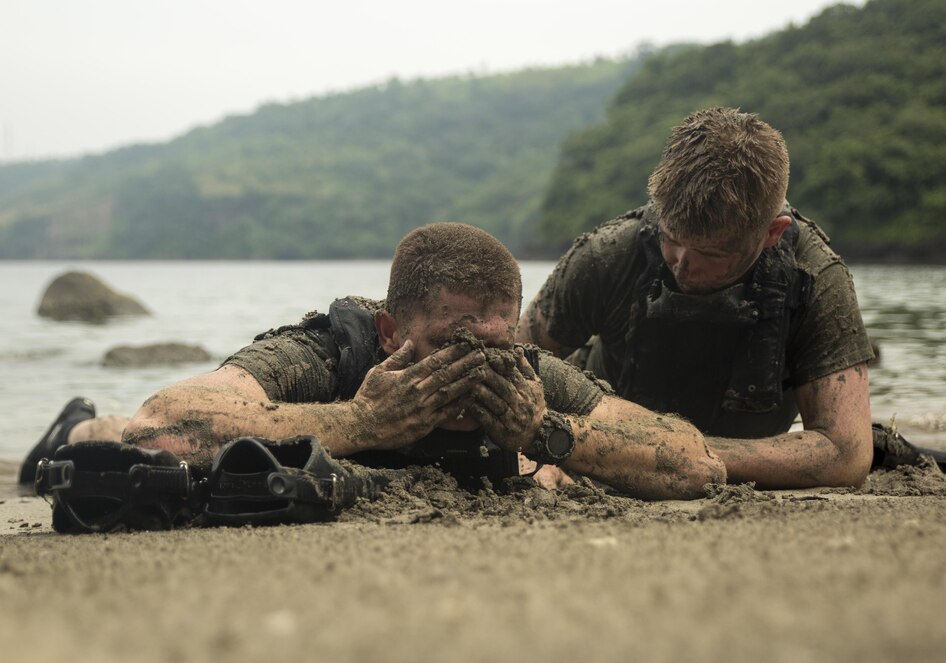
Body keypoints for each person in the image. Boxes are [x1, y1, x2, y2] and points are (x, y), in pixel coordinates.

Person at [21, 222, 726, 500]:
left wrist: (548, 433)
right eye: (454, 344)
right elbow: (164, 420)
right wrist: (359, 420)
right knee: (113, 434)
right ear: (393, 331)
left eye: (496, 343)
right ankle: (69, 424)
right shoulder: (332, 349)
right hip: (321, 409)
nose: (477, 366)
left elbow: (695, 459)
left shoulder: (517, 371)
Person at [517, 108, 875, 489]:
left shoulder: (814, 277)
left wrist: (675, 453)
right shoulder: (608, 255)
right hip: (598, 430)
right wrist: (533, 454)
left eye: (711, 254)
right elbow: (512, 361)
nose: (681, 264)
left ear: (772, 232)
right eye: (670, 239)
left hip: (719, 460)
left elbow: (846, 452)